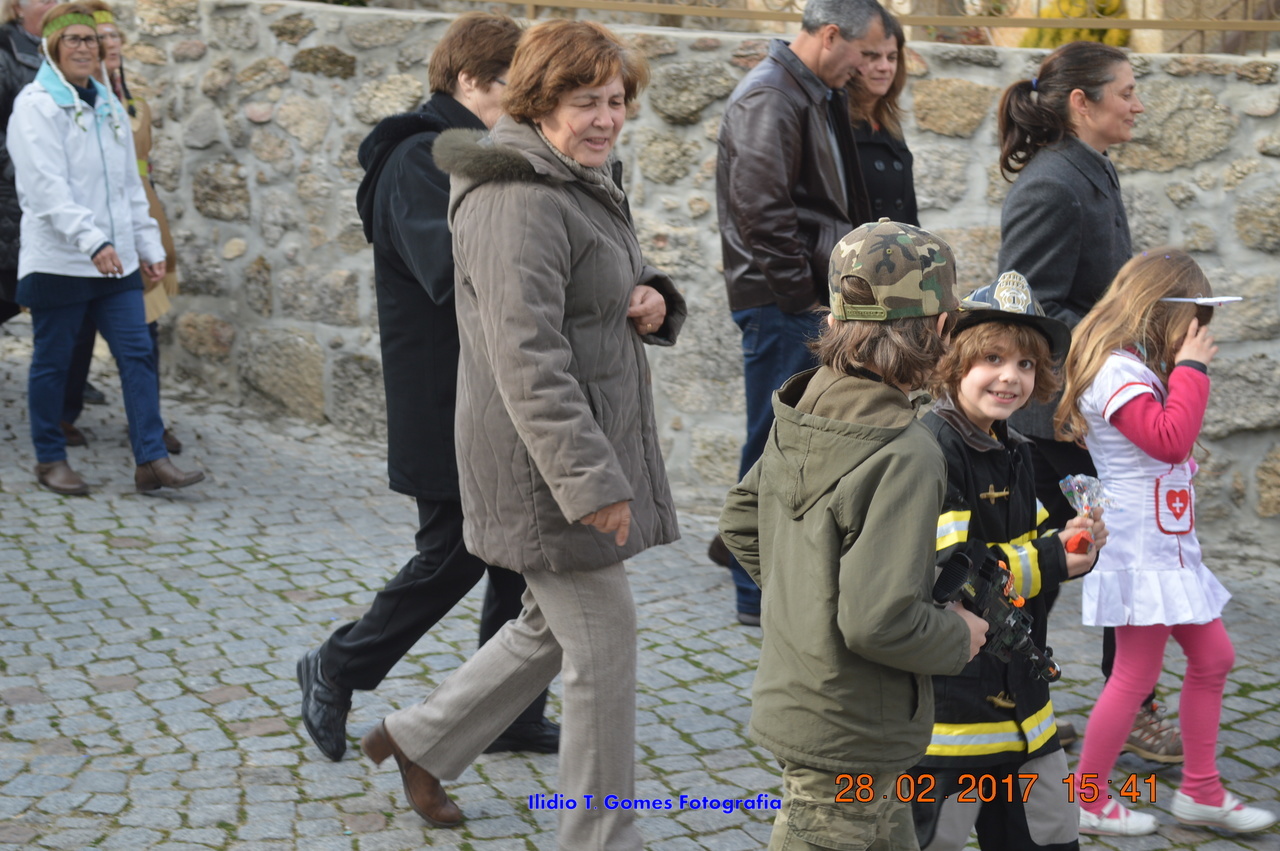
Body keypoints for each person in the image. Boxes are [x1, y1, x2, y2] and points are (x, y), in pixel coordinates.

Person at [359, 20, 685, 846]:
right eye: (587, 101)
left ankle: (421, 738)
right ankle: (600, 836)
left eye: (616, 100)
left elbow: (592, 277)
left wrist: (650, 294)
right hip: (544, 468)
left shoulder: (570, 174)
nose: (606, 118)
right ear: (539, 101)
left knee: (548, 626)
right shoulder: (517, 196)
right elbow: (525, 355)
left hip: (570, 455)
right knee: (602, 646)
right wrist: (591, 481)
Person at [295, 12, 561, 765]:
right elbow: (452, 272)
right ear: (470, 80)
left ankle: (509, 713)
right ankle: (337, 664)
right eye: (515, 86)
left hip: (498, 387)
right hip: (447, 396)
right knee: (456, 553)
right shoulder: (419, 156)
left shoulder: (491, 152)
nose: (529, 104)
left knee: (518, 554)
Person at [719, 218, 987, 851]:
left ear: (839, 318)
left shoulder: (810, 401)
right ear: (940, 327)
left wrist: (808, 608)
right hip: (855, 727)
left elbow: (741, 521)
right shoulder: (907, 452)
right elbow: (877, 623)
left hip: (811, 702)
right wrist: (960, 636)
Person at [996, 41, 1177, 761]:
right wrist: (1111, 344)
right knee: (1067, 563)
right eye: (1126, 92)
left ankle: (1040, 706)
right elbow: (1025, 304)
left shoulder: (1091, 169)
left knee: (1093, 558)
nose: (1138, 104)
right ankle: (1040, 709)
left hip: (1088, 405)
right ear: (1082, 102)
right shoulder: (1051, 185)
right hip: (1058, 418)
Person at [1056, 249, 1277, 837]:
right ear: (1161, 309)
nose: (1199, 333)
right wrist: (1192, 369)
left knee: (1214, 657)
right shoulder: (1115, 371)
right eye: (1194, 320)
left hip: (1165, 543)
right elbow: (1170, 439)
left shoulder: (1130, 367)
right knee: (1135, 673)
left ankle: (1201, 790)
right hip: (1139, 546)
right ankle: (1089, 799)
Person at [909, 271, 1104, 851]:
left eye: (1025, 364)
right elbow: (954, 573)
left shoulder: (1014, 447)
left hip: (1025, 701)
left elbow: (1036, 537)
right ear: (955, 363)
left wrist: (1074, 542)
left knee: (1051, 836)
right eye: (991, 358)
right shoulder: (934, 448)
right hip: (955, 715)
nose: (1010, 376)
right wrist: (1053, 558)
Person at [715, 0, 878, 626]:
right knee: (775, 441)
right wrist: (803, 298)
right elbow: (761, 211)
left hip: (801, 296)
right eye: (862, 52)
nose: (865, 67)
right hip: (783, 301)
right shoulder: (771, 96)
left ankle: (761, 575)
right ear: (831, 35)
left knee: (793, 440)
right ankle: (751, 590)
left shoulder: (808, 91)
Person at [7, 2, 202, 494]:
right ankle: (50, 459)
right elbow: (45, 189)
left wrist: (148, 246)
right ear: (53, 47)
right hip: (60, 261)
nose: (84, 47)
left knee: (137, 353)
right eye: (72, 39)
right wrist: (92, 241)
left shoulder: (109, 106)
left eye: (90, 39)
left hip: (116, 264)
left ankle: (151, 459)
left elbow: (127, 188)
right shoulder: (35, 105)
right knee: (53, 362)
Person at [55, 0, 181, 453]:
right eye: (98, 36)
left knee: (144, 328)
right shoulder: (69, 99)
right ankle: (61, 414)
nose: (108, 44)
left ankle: (148, 426)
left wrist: (150, 236)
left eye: (113, 36)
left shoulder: (131, 100)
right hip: (88, 222)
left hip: (139, 215)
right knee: (78, 329)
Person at [0, 0, 54, 326]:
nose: (53, 5)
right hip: (10, 197)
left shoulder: (62, 52)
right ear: (18, 8)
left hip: (50, 193)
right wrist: (21, 170)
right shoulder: (4, 51)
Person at [846, 7, 917, 225]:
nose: (885, 67)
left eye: (892, 57)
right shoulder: (836, 122)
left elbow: (907, 210)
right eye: (873, 56)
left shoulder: (888, 123)